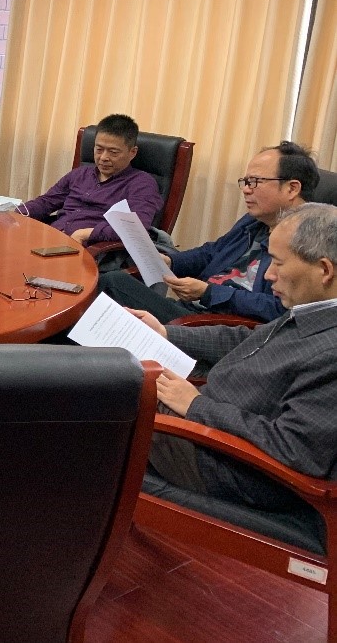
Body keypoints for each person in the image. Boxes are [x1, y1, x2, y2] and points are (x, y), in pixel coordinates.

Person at [131, 203, 337, 510]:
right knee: (109, 382)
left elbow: (294, 451)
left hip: (224, 462)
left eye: (278, 263)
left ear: (324, 270)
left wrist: (197, 406)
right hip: (209, 424)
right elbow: (248, 338)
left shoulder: (330, 352)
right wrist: (166, 333)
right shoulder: (315, 309)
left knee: (97, 402)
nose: (269, 275)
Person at [100, 141, 318, 324]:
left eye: (255, 182)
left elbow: (281, 310)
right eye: (245, 181)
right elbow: (212, 252)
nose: (246, 189)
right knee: (111, 294)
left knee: (113, 283)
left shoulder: (307, 242)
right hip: (195, 307)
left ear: (292, 188)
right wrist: (171, 262)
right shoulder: (255, 221)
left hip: (219, 327)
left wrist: (209, 293)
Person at [20, 114, 161, 246]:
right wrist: (15, 213)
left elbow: (136, 228)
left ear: (132, 152)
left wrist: (86, 234)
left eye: (113, 152)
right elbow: (46, 202)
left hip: (89, 250)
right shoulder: (80, 174)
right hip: (52, 239)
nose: (103, 157)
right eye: (99, 149)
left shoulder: (141, 184)